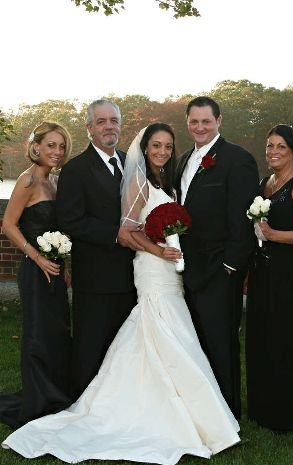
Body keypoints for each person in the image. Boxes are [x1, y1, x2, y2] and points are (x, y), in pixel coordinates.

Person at [2, 123, 240, 464]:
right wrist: (159, 251)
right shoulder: (137, 182)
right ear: (145, 148)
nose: (162, 151)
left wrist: (169, 243)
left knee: (171, 332)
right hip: (151, 268)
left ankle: (184, 405)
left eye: (168, 146)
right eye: (155, 145)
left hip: (167, 270)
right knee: (158, 329)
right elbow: (126, 231)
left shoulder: (165, 181)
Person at [175, 96, 259, 419]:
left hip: (220, 271)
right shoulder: (183, 160)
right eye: (194, 122)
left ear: (219, 121)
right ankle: (202, 411)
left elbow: (243, 219)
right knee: (195, 343)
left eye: (206, 121)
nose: (200, 127)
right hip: (186, 269)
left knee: (221, 344)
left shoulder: (237, 159)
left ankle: (227, 414)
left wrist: (230, 266)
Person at [55, 99, 138, 401]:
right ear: (89, 128)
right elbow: (71, 220)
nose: (108, 126)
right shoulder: (75, 170)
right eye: (101, 121)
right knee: (91, 346)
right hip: (95, 277)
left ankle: (116, 402)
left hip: (133, 276)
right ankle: (84, 403)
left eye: (113, 120)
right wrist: (115, 235)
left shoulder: (132, 163)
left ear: (120, 125)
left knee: (125, 346)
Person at [245, 124, 293, 432]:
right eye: (270, 145)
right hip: (263, 273)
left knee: (287, 340)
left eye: (280, 146)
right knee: (263, 339)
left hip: (291, 275)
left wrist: (274, 235)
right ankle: (263, 407)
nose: (273, 151)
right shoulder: (265, 184)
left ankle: (288, 413)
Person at [0, 122, 72, 428]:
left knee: (57, 333)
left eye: (61, 146)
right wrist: (37, 257)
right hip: (34, 270)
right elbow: (8, 225)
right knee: (38, 335)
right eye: (51, 145)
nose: (57, 151)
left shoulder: (54, 181)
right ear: (36, 146)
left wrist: (63, 265)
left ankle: (55, 393)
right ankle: (39, 399)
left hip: (55, 270)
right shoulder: (28, 180)